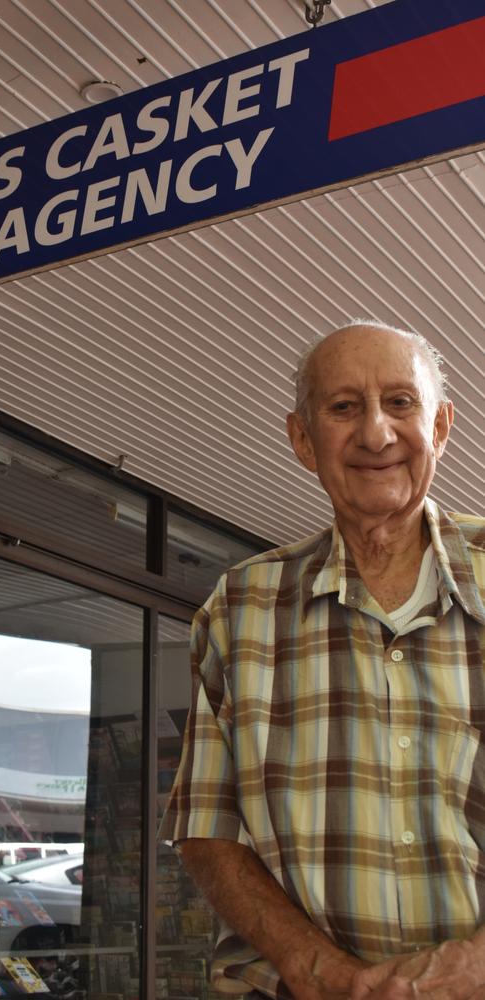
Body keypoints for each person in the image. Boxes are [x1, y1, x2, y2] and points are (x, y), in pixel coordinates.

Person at [158, 321, 485, 1000]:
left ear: (443, 426)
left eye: (400, 403)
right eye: (343, 407)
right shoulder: (239, 608)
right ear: (303, 440)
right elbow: (205, 828)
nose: (375, 434)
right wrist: (319, 971)